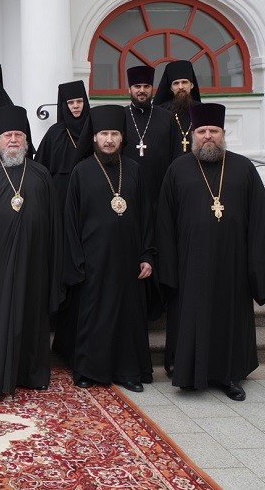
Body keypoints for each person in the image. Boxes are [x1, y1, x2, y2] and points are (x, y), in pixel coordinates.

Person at [157, 103, 265, 401]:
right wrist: (167, 266)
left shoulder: (243, 168)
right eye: (202, 131)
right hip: (189, 262)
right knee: (190, 316)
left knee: (229, 317)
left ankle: (230, 376)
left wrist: (258, 263)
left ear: (223, 133)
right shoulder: (177, 169)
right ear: (193, 134)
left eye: (214, 131)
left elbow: (260, 219)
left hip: (232, 262)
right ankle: (188, 373)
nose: (208, 136)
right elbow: (165, 222)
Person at [0, 105, 63, 396]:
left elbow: (54, 225)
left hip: (34, 261)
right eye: (7, 135)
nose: (13, 140)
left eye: (18, 134)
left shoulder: (41, 174)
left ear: (26, 139)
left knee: (30, 313)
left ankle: (28, 373)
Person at [53, 104, 155, 392]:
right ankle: (89, 370)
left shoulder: (134, 170)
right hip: (93, 260)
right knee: (92, 316)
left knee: (128, 317)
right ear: (94, 137)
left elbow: (146, 216)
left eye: (114, 134)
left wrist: (147, 254)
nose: (109, 140)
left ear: (122, 138)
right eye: (104, 134)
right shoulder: (81, 171)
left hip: (129, 259)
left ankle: (129, 372)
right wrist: (76, 260)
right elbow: (70, 220)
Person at [122, 65, 181, 209]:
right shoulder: (120, 117)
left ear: (152, 89)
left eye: (146, 86)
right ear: (129, 89)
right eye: (137, 86)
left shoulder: (167, 118)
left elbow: (176, 153)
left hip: (161, 189)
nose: (142, 90)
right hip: (127, 189)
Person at [35, 80, 91, 208]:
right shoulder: (55, 132)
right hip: (61, 196)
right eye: (70, 102)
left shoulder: (93, 129)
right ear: (64, 105)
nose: (75, 106)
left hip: (89, 190)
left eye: (79, 101)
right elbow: (40, 166)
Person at [153, 59, 202, 155]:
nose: (180, 87)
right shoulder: (161, 111)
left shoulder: (202, 110)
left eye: (184, 82)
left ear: (192, 85)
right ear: (171, 88)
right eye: (176, 83)